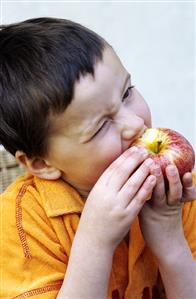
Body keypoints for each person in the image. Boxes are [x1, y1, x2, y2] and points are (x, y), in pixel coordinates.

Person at [0, 17, 195, 299]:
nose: (134, 124)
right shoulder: (20, 225)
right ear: (42, 164)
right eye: (101, 126)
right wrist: (96, 242)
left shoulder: (174, 195)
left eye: (127, 92)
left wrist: (170, 242)